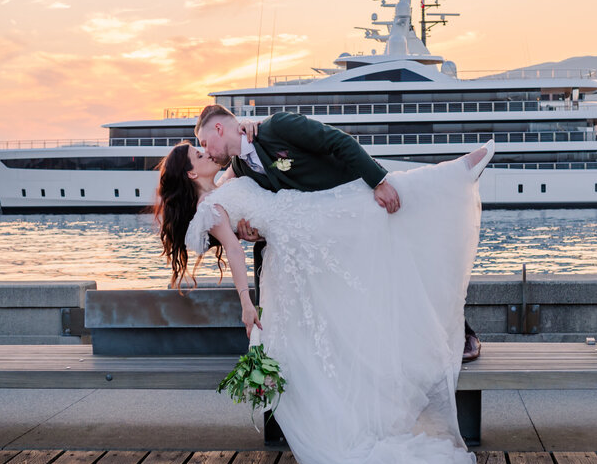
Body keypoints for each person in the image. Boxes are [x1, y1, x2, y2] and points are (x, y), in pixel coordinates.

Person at [155, 138, 493, 464]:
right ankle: (455, 174)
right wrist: (246, 302)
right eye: (198, 153)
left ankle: (455, 175)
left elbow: (246, 216)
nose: (205, 152)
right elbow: (236, 252)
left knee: (366, 208)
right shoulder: (209, 208)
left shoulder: (224, 184)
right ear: (192, 171)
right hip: (296, 237)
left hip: (299, 215)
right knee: (364, 212)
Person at [194, 105, 482, 362]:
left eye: (205, 143)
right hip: (329, 230)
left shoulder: (277, 127)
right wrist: (251, 231)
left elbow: (336, 141)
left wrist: (377, 182)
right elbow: (245, 207)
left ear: (219, 128)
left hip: (358, 197)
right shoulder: (240, 167)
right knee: (378, 281)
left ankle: (462, 333)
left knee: (410, 258)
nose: (206, 151)